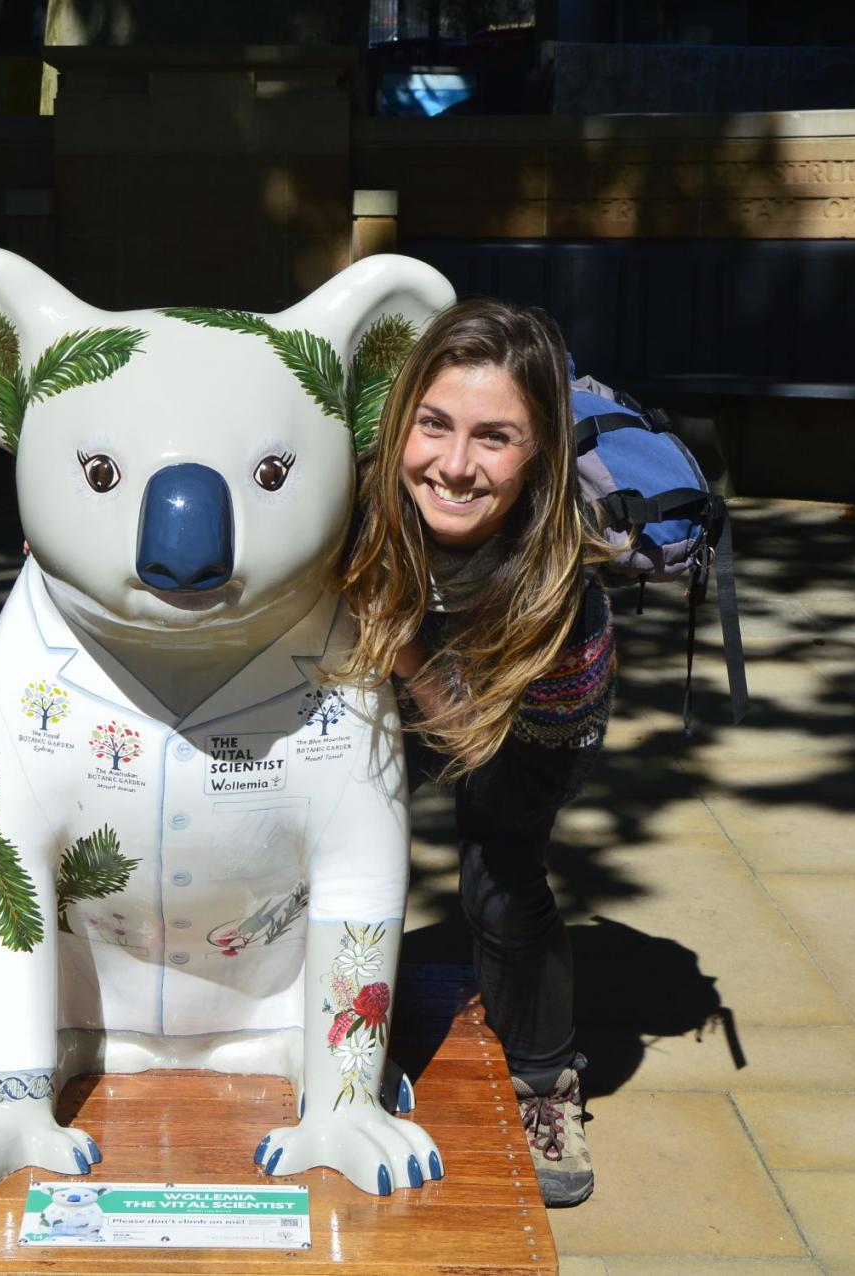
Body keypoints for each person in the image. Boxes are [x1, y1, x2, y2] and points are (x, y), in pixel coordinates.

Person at [335, 298, 627, 1207]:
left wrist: (402, 640)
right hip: (398, 655)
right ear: (404, 419)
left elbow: (471, 737)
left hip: (529, 711)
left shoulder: (557, 584)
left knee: (497, 883)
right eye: (436, 424)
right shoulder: (358, 484)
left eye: (495, 437)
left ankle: (546, 1084)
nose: (454, 466)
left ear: (539, 451)